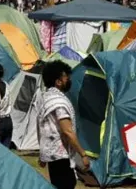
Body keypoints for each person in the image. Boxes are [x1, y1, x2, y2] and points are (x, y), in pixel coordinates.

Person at [38, 60, 90, 189]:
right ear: (58, 81)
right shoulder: (58, 102)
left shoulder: (46, 98)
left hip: (51, 153)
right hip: (60, 155)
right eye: (66, 77)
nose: (69, 80)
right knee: (67, 184)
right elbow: (67, 131)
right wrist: (83, 154)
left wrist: (43, 153)